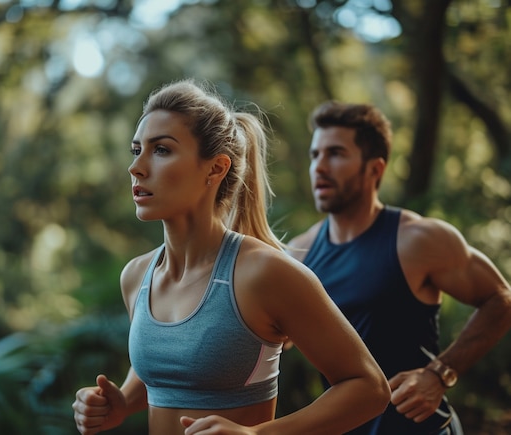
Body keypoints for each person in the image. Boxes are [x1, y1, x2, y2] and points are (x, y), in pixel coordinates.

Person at [72, 80, 390, 435]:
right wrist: (120, 404)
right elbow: (165, 373)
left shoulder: (264, 273)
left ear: (215, 168)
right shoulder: (136, 276)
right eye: (136, 150)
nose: (137, 167)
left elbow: (369, 388)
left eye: (161, 150)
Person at [287, 100, 511, 435]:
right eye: (315, 155)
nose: (319, 167)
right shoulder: (298, 255)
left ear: (375, 169)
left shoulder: (418, 239)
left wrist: (439, 373)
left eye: (335, 153)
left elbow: (501, 299)